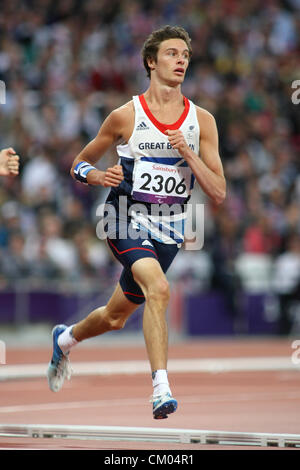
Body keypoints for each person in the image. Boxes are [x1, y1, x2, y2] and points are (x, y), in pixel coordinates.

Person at [47, 25, 226, 419]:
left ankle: (66, 339)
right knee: (159, 289)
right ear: (151, 61)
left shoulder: (202, 122)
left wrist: (189, 155)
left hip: (172, 228)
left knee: (114, 317)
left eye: (185, 55)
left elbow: (218, 192)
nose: (181, 60)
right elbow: (78, 163)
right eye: (172, 53)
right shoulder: (125, 116)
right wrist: (96, 176)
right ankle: (161, 388)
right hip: (122, 218)